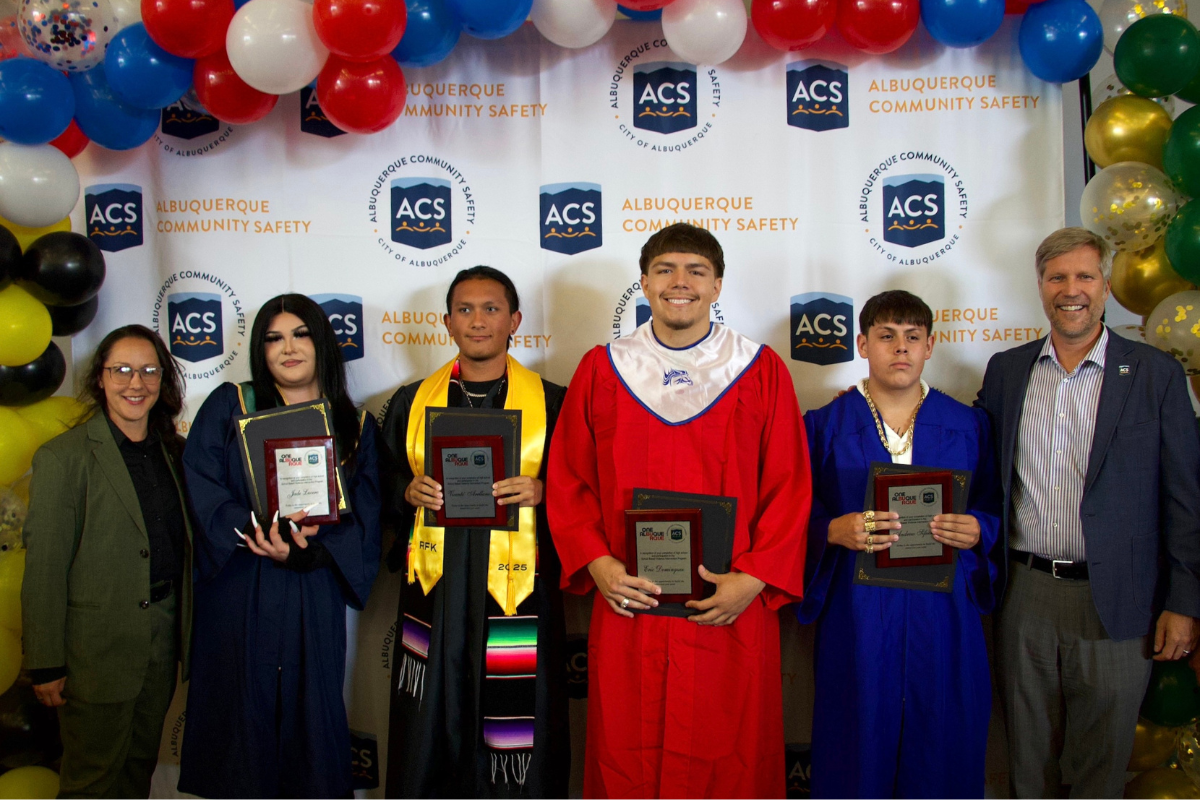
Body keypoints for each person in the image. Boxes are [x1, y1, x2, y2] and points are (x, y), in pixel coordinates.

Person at [547, 223, 811, 798]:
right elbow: (569, 481)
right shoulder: (603, 368)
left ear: (718, 285)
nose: (680, 282)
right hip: (631, 602)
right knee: (626, 750)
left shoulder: (759, 370)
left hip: (726, 605)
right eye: (665, 269)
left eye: (696, 270)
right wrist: (596, 563)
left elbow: (789, 488)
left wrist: (754, 579)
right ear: (643, 283)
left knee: (730, 753)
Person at [976, 228, 1200, 798]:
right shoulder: (1007, 371)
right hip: (1025, 595)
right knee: (1028, 760)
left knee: (1100, 767)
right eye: (1057, 277)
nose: (1069, 289)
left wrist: (1183, 600)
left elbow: (1186, 497)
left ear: (1105, 287)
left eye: (1084, 277)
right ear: (1041, 285)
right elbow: (969, 457)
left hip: (1121, 600)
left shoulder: (1154, 374)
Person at [798, 291, 1002, 798]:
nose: (901, 348)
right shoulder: (823, 426)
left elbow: (998, 508)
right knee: (856, 740)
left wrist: (979, 528)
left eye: (913, 337)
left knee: (944, 740)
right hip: (858, 608)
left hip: (944, 610)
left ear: (931, 346)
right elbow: (792, 515)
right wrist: (830, 530)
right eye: (887, 336)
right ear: (863, 343)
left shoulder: (970, 425)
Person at [177, 294, 381, 798]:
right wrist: (254, 532)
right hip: (241, 584)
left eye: (300, 334)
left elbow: (367, 515)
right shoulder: (231, 405)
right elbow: (201, 483)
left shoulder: (355, 426)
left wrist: (309, 552)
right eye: (273, 338)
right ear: (260, 350)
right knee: (240, 713)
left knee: (312, 717)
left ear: (322, 344)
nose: (287, 348)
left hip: (312, 589)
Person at [381, 266, 570, 798]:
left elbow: (585, 491)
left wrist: (544, 492)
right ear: (446, 322)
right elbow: (383, 480)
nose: (478, 321)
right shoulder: (412, 403)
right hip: (437, 590)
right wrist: (406, 492)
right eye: (465, 309)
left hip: (518, 591)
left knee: (518, 721)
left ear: (515, 320)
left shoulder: (553, 403)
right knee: (429, 719)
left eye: (491, 309)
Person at [22, 325, 192, 798]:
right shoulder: (64, 458)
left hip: (161, 643)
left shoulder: (174, 454)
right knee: (91, 782)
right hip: (92, 654)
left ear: (163, 380)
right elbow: (45, 568)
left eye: (148, 370)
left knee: (137, 773)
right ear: (100, 377)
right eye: (121, 370)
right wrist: (45, 663)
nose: (135, 383)